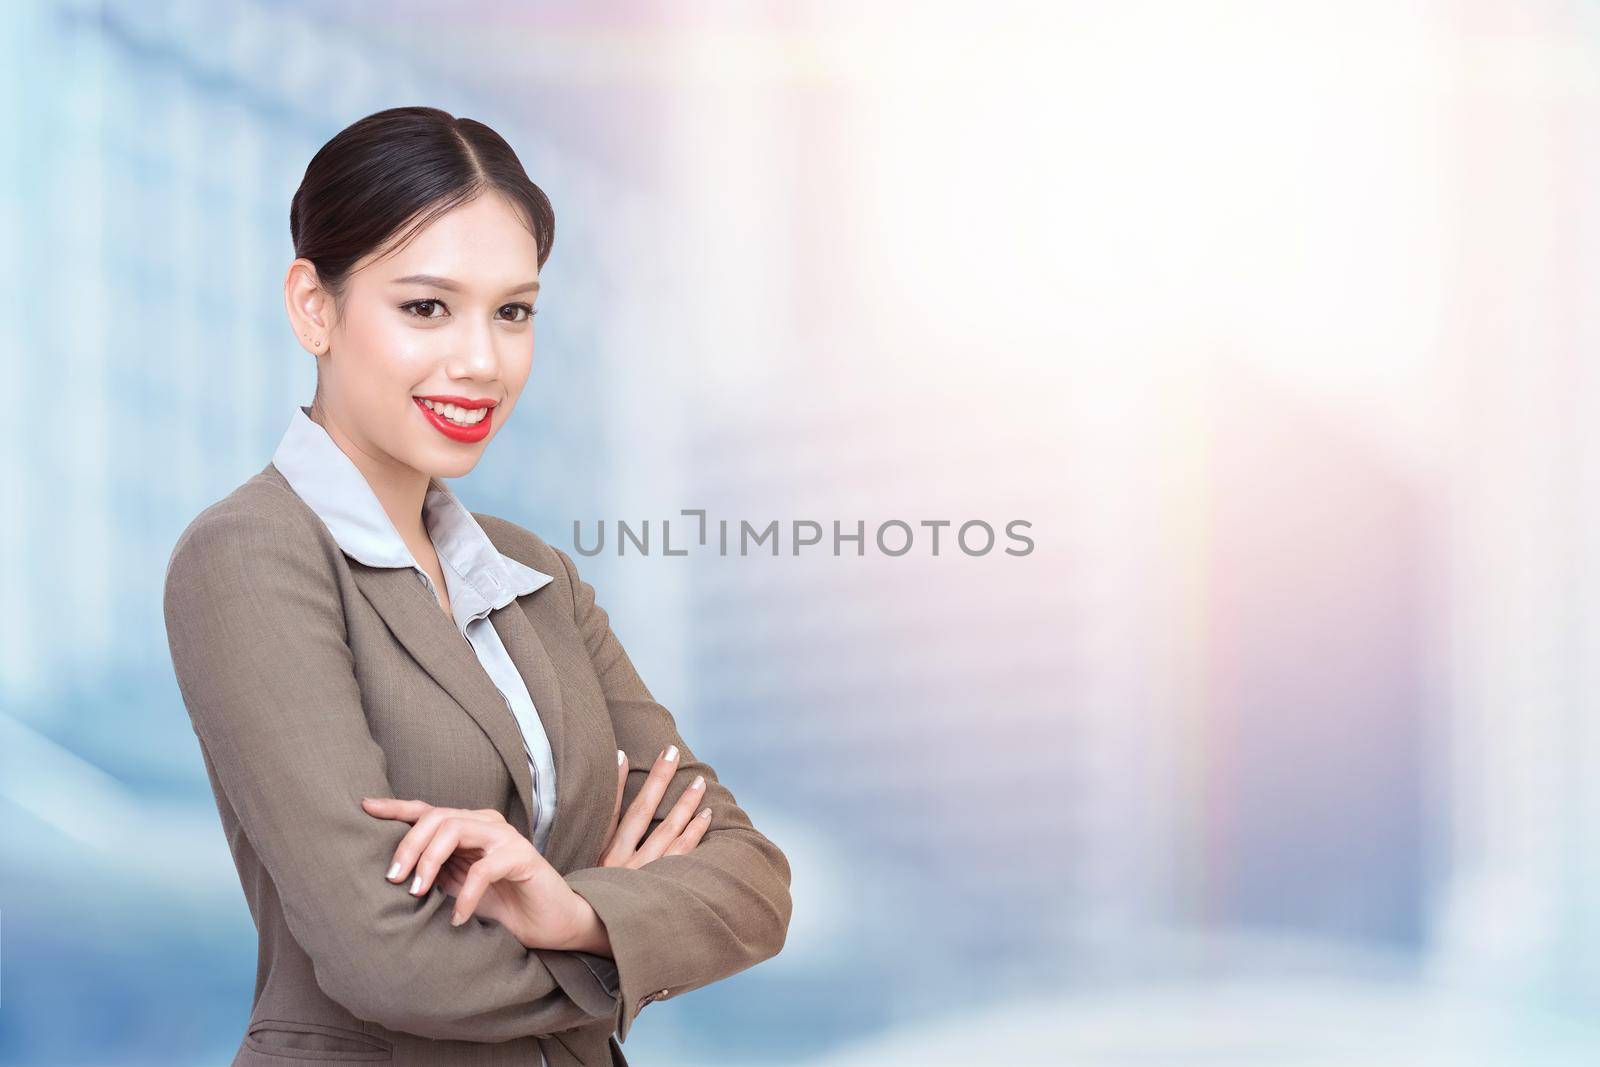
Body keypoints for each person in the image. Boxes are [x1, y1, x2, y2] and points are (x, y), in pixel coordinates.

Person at [161, 106, 792, 1067]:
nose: (482, 361)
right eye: (426, 307)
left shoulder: (533, 577)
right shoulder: (251, 555)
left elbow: (750, 878)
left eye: (513, 311)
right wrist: (611, 936)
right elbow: (382, 960)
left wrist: (571, 904)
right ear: (312, 306)